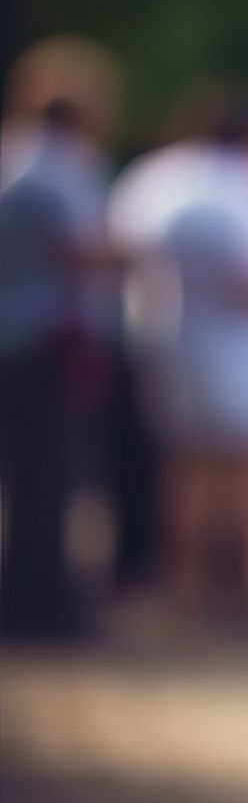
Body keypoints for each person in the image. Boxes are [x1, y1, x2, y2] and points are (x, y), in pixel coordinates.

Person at [110, 86, 248, 625]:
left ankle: (188, 588)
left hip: (166, 342)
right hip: (237, 351)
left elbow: (117, 253)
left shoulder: (159, 177)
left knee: (186, 469)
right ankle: (239, 592)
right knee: (239, 473)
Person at [0, 38, 120, 639]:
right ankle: (39, 600)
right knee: (47, 476)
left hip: (20, 334)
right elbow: (81, 251)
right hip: (44, 337)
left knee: (30, 475)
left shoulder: (14, 156)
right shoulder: (61, 167)